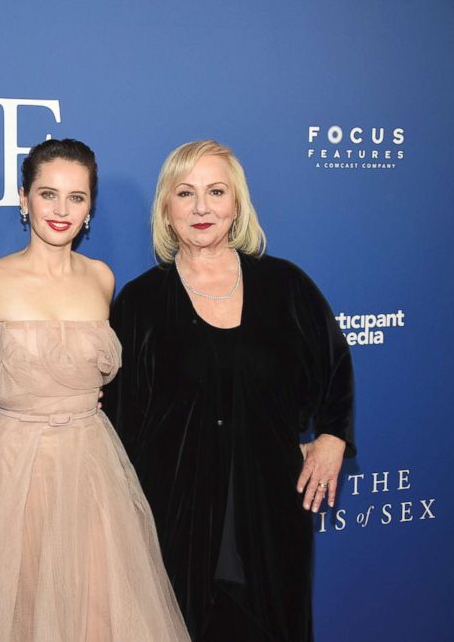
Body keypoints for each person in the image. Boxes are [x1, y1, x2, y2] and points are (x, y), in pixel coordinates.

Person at [103, 139, 355, 641]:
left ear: (236, 204)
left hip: (272, 510)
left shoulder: (286, 286)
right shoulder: (140, 303)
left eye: (216, 192)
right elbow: (114, 416)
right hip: (173, 516)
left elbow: (335, 367)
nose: (201, 208)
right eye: (186, 193)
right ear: (166, 208)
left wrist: (332, 439)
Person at [0, 138, 189, 642]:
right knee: (19, 613)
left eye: (76, 197)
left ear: (90, 207)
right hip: (12, 470)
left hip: (93, 465)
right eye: (48, 194)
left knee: (99, 615)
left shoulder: (102, 279)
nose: (61, 210)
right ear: (24, 199)